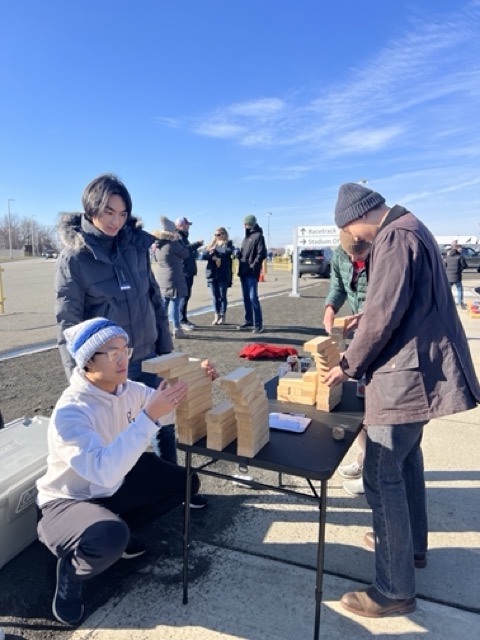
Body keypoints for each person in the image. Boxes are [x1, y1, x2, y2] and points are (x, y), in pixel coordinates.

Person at [324, 182, 480, 618]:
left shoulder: (393, 236)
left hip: (406, 374)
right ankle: (411, 550)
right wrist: (367, 316)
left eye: (350, 231)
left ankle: (393, 589)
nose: (356, 238)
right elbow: (393, 304)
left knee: (380, 473)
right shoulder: (412, 227)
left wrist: (348, 364)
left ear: (355, 221)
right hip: (419, 369)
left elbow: (384, 315)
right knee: (406, 461)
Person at [36, 317, 200, 626]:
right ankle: (71, 572)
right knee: (108, 535)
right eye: (113, 353)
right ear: (88, 361)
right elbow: (102, 471)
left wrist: (195, 383)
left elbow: (163, 414)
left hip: (111, 488)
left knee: (186, 482)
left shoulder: (127, 389)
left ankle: (117, 531)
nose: (124, 359)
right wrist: (149, 417)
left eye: (125, 349)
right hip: (67, 502)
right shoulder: (72, 411)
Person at [55, 174, 179, 466]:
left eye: (122, 214)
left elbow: (154, 299)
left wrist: (167, 349)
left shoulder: (134, 248)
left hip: (149, 354)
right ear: (91, 209)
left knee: (164, 420)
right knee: (116, 432)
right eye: (108, 212)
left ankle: (173, 485)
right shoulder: (74, 259)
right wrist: (78, 377)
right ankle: (123, 495)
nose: (115, 221)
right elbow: (67, 322)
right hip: (111, 364)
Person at [323, 229, 370, 497]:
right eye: (350, 254)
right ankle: (364, 455)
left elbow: (389, 302)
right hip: (358, 328)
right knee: (358, 402)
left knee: (372, 403)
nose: (354, 258)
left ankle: (374, 471)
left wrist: (365, 317)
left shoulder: (383, 254)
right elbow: (338, 287)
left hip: (379, 327)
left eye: (360, 254)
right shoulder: (341, 255)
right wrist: (330, 306)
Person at [152, 216, 190, 340]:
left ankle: (162, 328)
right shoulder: (173, 244)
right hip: (174, 277)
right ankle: (177, 328)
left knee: (164, 304)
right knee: (175, 303)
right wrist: (179, 240)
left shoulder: (157, 245)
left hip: (161, 277)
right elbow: (186, 253)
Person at [236, 214, 267, 334]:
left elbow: (261, 253)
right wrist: (238, 254)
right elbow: (244, 253)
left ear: (252, 223)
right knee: (245, 297)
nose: (245, 226)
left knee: (253, 297)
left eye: (247, 223)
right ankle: (248, 320)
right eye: (244, 224)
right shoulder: (245, 237)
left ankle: (258, 324)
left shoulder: (259, 236)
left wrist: (254, 265)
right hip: (243, 271)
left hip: (252, 272)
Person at [175, 217, 203, 331]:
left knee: (186, 297)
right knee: (183, 297)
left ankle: (184, 319)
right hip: (184, 271)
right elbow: (184, 251)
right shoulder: (178, 236)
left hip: (188, 270)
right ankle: (181, 321)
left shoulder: (183, 237)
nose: (189, 227)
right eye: (187, 225)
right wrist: (197, 244)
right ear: (181, 225)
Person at [204, 227, 234, 325]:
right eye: (216, 234)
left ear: (224, 234)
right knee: (214, 296)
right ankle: (216, 315)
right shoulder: (211, 244)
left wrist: (216, 249)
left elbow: (227, 252)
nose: (217, 236)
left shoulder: (228, 244)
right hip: (212, 273)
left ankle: (223, 316)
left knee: (222, 296)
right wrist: (212, 256)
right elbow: (203, 255)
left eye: (219, 234)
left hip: (223, 273)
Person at [444, 241, 467, 309]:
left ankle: (447, 302)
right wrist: (460, 269)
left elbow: (444, 266)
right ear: (457, 250)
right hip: (457, 276)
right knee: (459, 289)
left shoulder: (447, 257)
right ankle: (460, 303)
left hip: (448, 276)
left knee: (448, 290)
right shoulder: (460, 257)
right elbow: (464, 265)